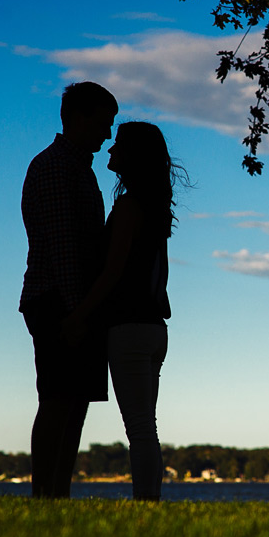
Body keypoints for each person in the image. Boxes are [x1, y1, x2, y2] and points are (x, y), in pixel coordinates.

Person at [63, 122, 185, 501]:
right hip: (154, 328)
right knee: (146, 425)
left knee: (139, 427)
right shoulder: (155, 208)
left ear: (134, 156)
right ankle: (150, 500)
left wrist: (79, 315)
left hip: (130, 328)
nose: (110, 152)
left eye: (118, 147)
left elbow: (113, 271)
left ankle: (146, 503)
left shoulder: (131, 206)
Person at [19, 81, 118, 498]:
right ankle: (46, 494)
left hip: (69, 302)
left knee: (72, 405)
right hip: (60, 302)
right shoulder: (58, 167)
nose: (108, 134)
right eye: (103, 122)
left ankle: (56, 494)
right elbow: (64, 249)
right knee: (59, 402)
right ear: (80, 117)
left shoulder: (75, 166)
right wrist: (78, 313)